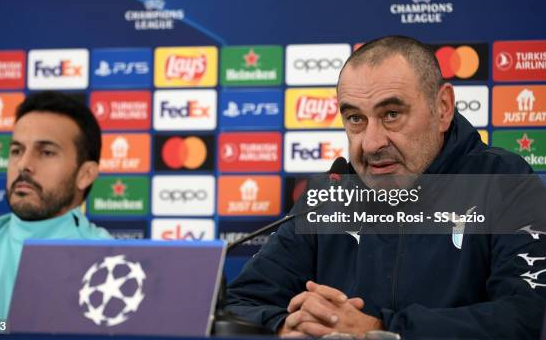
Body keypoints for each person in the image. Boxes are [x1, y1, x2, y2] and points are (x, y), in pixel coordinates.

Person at [226, 36, 546, 339]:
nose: (372, 142)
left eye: (391, 115)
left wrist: (382, 330)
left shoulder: (504, 181)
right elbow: (238, 306)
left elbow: (526, 318)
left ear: (443, 108)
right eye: (355, 118)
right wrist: (287, 328)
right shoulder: (328, 197)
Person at [0, 91, 111, 323]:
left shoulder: (109, 261)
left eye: (46, 152)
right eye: (17, 150)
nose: (23, 165)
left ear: (85, 174)